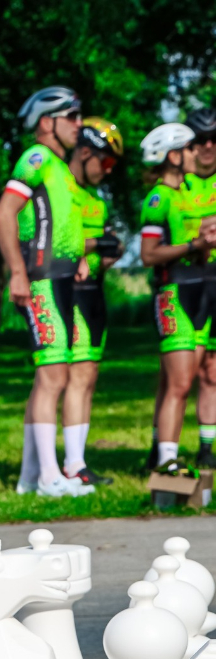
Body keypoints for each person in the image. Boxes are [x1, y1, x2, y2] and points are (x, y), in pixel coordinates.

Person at [0, 86, 95, 498]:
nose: (79, 124)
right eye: (72, 117)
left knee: (51, 376)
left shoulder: (60, 167)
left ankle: (31, 476)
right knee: (53, 375)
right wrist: (17, 271)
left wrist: (81, 259)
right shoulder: (36, 158)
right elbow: (4, 213)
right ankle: (49, 477)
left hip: (62, 278)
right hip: (41, 279)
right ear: (47, 122)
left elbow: (62, 225)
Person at [139, 122, 216, 471]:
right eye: (188, 148)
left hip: (200, 289)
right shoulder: (159, 197)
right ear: (173, 155)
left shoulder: (185, 193)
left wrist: (203, 244)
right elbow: (149, 254)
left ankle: (175, 454)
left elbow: (193, 248)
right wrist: (192, 245)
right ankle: (167, 459)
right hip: (173, 292)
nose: (195, 153)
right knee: (179, 381)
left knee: (198, 376)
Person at [62, 118, 125, 487]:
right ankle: (72, 465)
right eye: (106, 162)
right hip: (70, 293)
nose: (108, 171)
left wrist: (109, 249)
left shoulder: (95, 200)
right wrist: (93, 245)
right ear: (85, 152)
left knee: (89, 378)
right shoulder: (64, 189)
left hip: (95, 291)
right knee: (77, 377)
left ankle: (78, 461)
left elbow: (97, 247)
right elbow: (51, 238)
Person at [185, 107, 216, 469]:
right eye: (200, 140)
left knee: (212, 370)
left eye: (214, 139)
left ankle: (207, 447)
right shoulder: (179, 180)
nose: (208, 146)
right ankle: (161, 447)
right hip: (186, 281)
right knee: (179, 372)